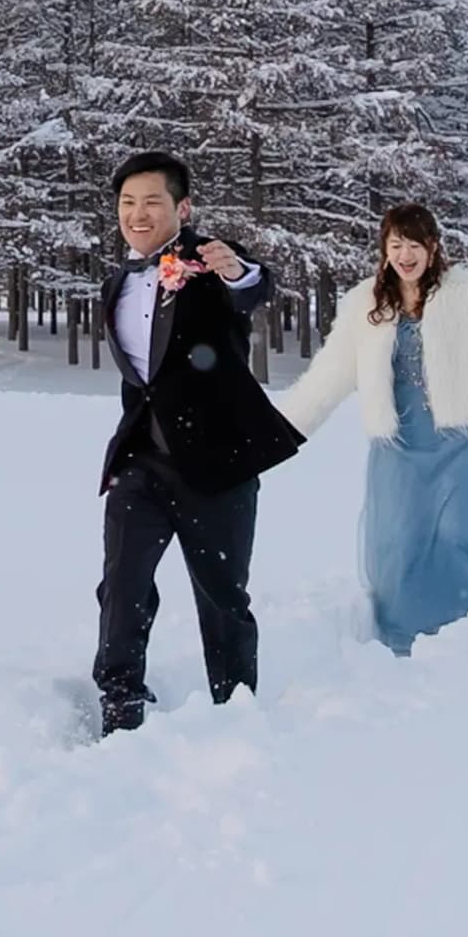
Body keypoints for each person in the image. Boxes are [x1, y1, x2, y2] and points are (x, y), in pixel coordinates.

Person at [272, 201, 468, 654]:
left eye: (414, 245)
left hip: (461, 441)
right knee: (403, 541)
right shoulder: (366, 304)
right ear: (384, 250)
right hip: (400, 447)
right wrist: (277, 432)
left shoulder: (466, 292)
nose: (405, 255)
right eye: (395, 245)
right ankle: (404, 636)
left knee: (460, 533)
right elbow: (329, 375)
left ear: (433, 247)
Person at [89, 150, 304, 735]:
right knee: (123, 584)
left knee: (222, 595)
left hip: (217, 463)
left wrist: (238, 272)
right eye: (128, 203)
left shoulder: (207, 265)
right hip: (143, 461)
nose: (138, 214)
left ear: (182, 209)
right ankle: (120, 699)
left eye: (152, 201)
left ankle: (234, 710)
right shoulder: (117, 281)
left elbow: (252, 288)